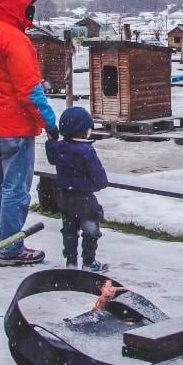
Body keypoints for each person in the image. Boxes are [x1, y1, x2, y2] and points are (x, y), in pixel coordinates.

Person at [0, 0, 58, 266]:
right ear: (17, 6)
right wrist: (50, 123)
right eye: (29, 6)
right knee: (15, 189)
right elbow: (30, 91)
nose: (32, 11)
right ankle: (11, 248)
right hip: (15, 128)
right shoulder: (15, 39)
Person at [46, 106, 110, 273]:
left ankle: (71, 261)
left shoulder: (58, 148)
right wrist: (99, 185)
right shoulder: (86, 151)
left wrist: (51, 139)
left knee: (69, 230)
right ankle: (89, 262)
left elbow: (51, 154)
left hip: (65, 197)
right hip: (85, 199)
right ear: (83, 131)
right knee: (90, 230)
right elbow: (98, 175)